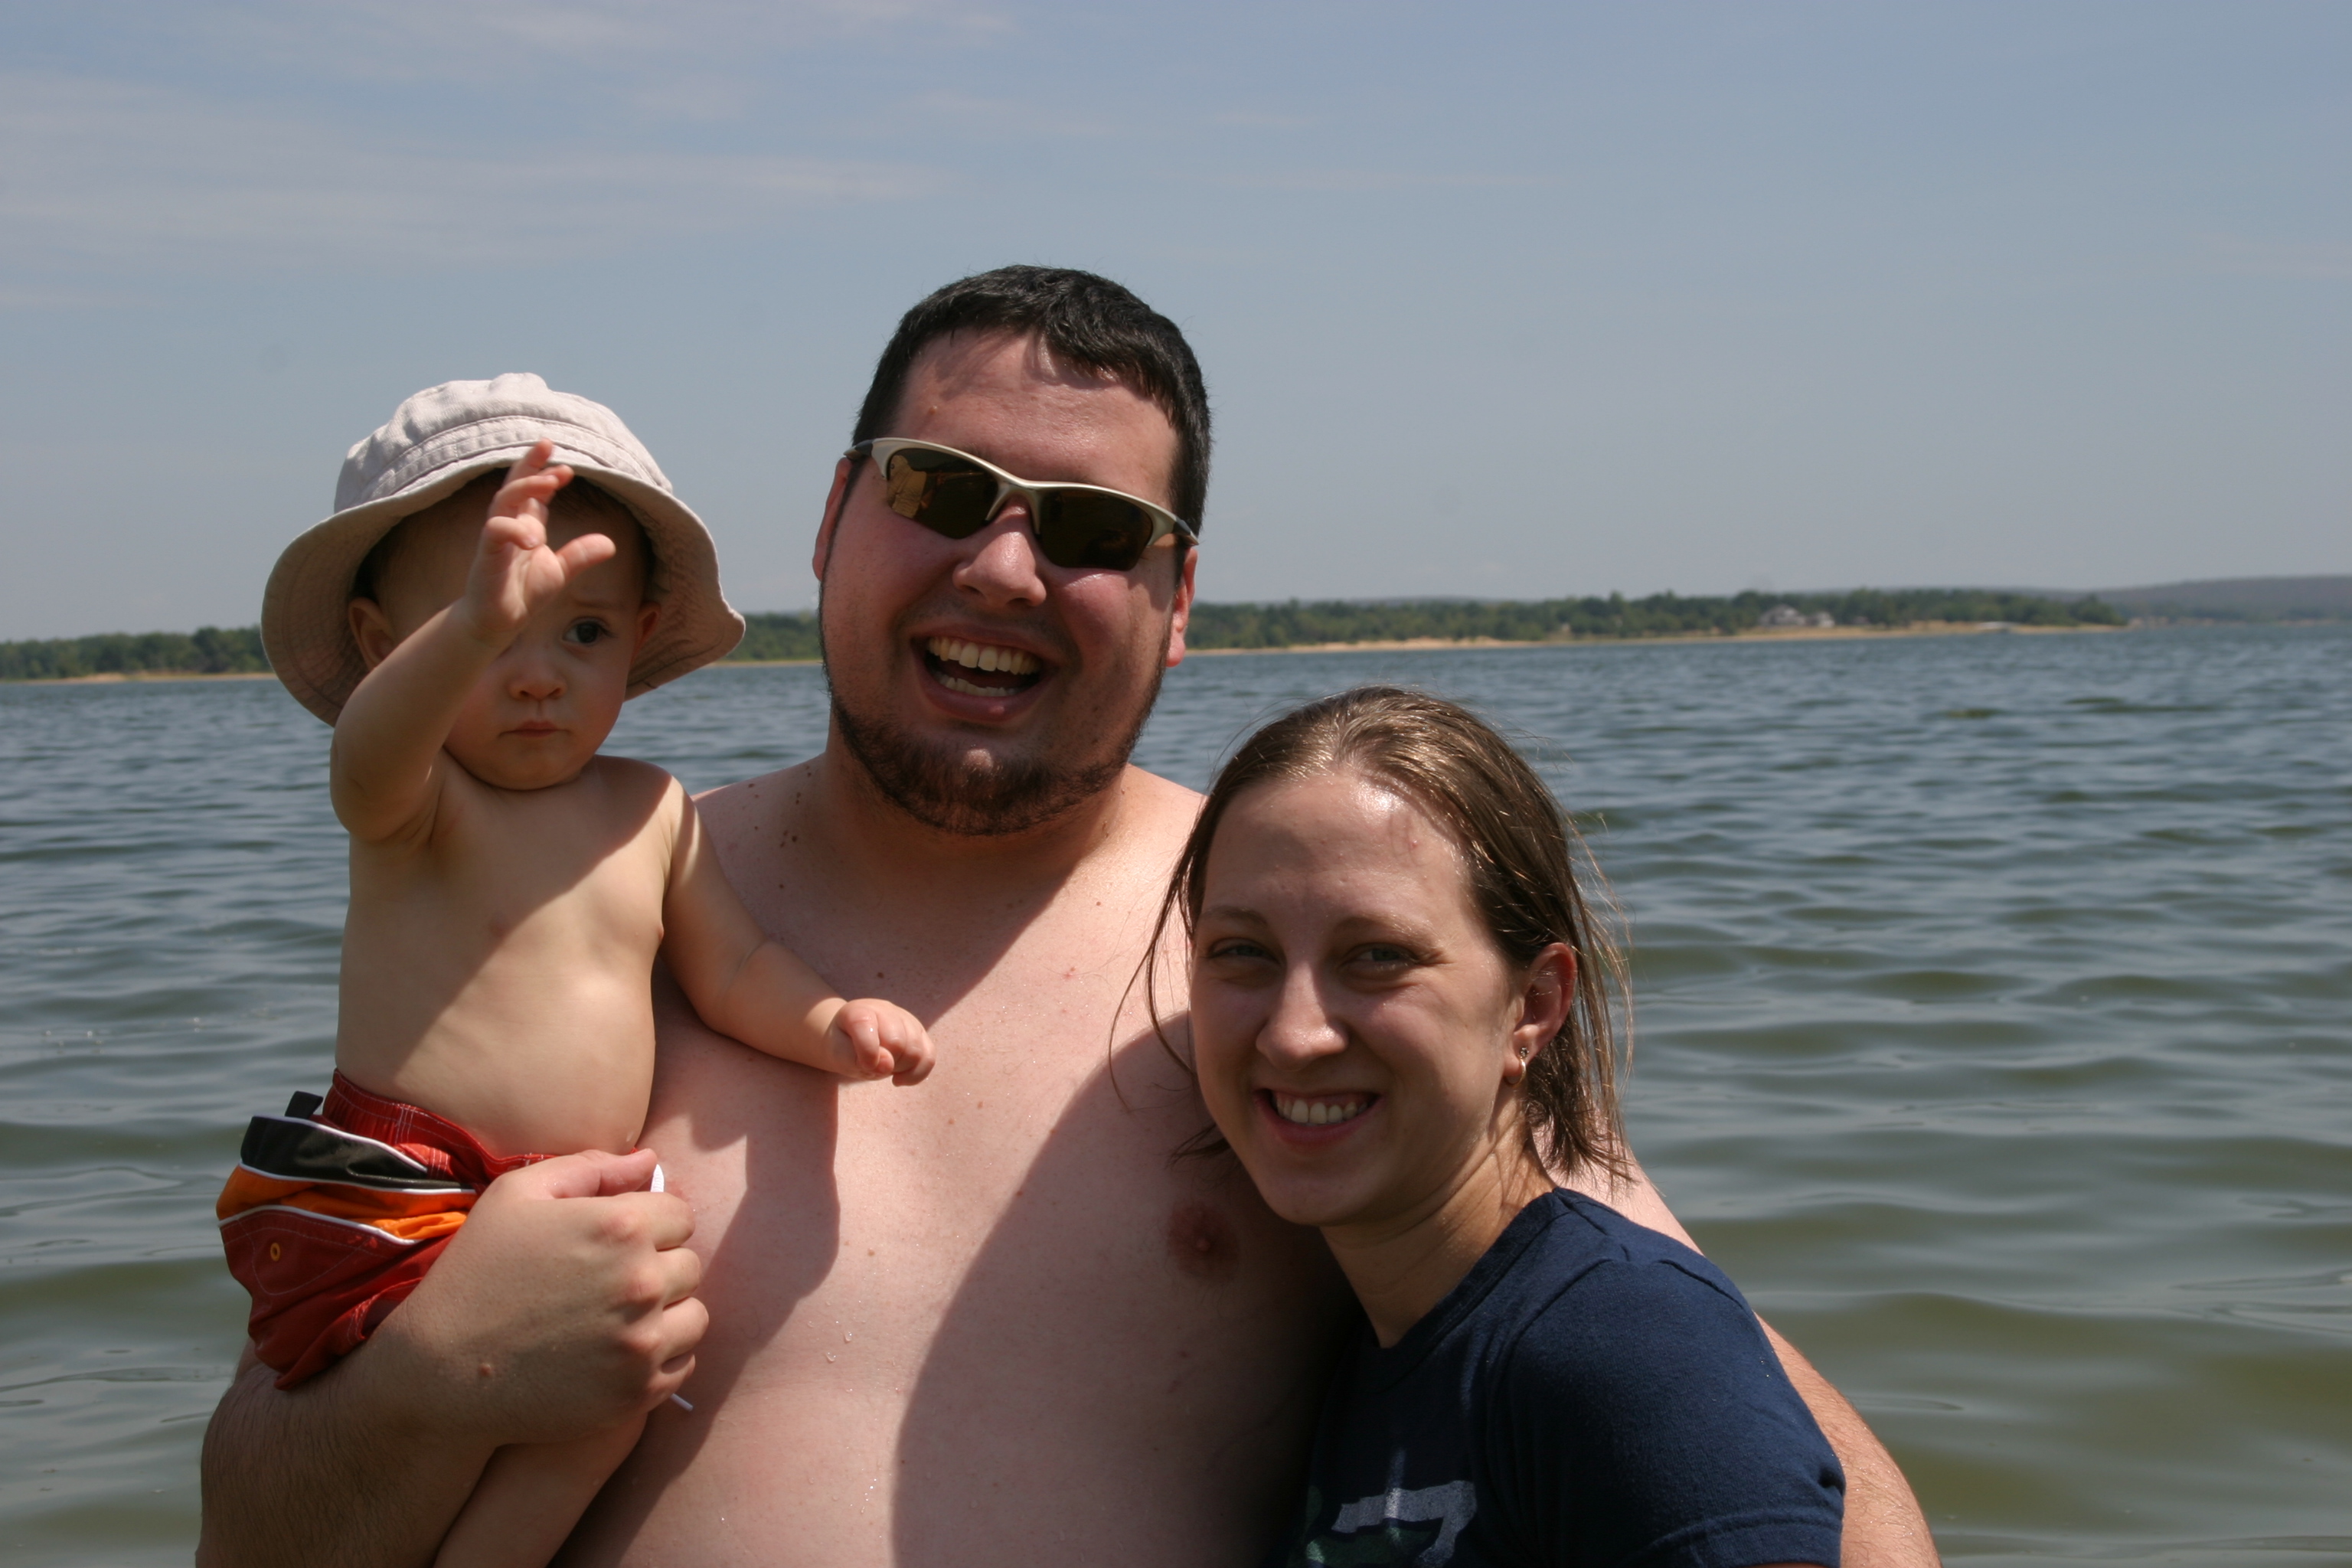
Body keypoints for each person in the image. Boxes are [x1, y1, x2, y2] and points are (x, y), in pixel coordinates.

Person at [199, 268, 1940, 1567]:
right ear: (832, 517)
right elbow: (252, 1542)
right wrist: (438, 1375)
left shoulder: (1288, 974)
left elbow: (1731, 1425)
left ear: (1178, 600)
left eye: (1098, 529)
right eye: (940, 491)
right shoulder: (584, 902)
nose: (1003, 568)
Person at [223, 375, 934, 1567]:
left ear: (641, 635)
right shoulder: (420, 803)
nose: (538, 672)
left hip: (570, 1218)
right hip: (409, 1194)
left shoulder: (652, 810)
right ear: (383, 647)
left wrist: (831, 1021)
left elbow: (735, 968)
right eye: (494, 632)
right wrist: (470, 631)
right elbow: (365, 756)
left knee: (610, 1409)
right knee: (409, 1432)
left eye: (584, 631)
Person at [1165, 687, 1844, 1566]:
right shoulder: (1374, 1361)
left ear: (1534, 1003)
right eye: (1242, 951)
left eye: (1378, 955)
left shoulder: (1630, 1347)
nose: (1295, 1034)